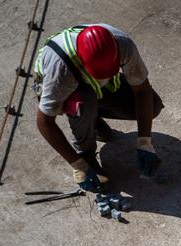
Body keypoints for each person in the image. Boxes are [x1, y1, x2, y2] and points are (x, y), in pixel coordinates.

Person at [34, 24, 164, 193]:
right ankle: (86, 154)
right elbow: (44, 123)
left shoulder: (123, 45)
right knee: (85, 99)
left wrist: (145, 142)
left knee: (152, 105)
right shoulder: (60, 72)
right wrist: (78, 164)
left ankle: (93, 118)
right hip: (69, 89)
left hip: (92, 82)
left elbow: (142, 90)